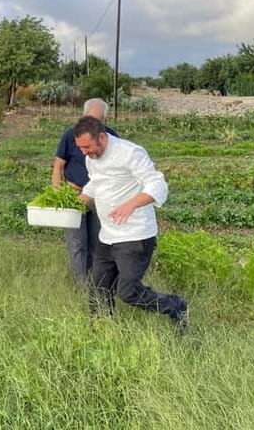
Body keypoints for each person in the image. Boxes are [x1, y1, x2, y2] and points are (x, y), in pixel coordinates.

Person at [74, 115, 189, 328]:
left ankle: (176, 306)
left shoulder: (130, 153)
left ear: (101, 137)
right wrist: (73, 201)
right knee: (98, 291)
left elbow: (157, 184)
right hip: (107, 236)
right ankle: (103, 332)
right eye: (80, 148)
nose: (84, 152)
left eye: (87, 146)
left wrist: (132, 204)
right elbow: (95, 184)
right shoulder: (92, 158)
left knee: (128, 292)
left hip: (135, 236)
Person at [51, 98, 118, 281]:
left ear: (105, 119)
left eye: (98, 121)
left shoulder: (111, 138)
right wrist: (57, 192)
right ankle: (80, 285)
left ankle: (96, 283)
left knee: (99, 243)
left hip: (100, 198)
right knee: (77, 244)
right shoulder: (70, 136)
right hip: (74, 195)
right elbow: (58, 165)